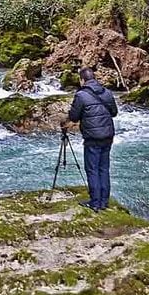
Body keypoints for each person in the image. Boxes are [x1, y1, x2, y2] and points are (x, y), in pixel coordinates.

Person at [62, 66, 118, 211]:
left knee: (92, 169)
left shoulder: (81, 95)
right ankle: (104, 202)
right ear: (94, 78)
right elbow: (114, 113)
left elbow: (74, 117)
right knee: (104, 168)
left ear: (82, 80)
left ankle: (95, 203)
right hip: (108, 135)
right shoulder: (107, 92)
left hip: (93, 137)